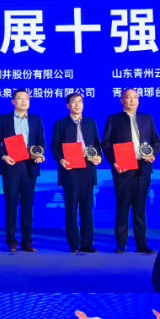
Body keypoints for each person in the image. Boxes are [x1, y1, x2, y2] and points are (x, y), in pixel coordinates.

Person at [101, 88, 159, 254]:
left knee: (140, 208)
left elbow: (156, 141)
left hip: (143, 167)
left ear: (138, 100)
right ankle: (121, 243)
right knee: (123, 207)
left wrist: (153, 154)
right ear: (122, 100)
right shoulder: (113, 119)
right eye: (128, 97)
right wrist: (114, 161)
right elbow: (105, 143)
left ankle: (142, 244)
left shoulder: (146, 118)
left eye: (135, 97)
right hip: (123, 168)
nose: (132, 101)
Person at [0, 89, 46, 252]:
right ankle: (11, 241)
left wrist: (40, 155)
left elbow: (41, 142)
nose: (24, 101)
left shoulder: (36, 119)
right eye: (20, 98)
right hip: (11, 166)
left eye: (26, 99)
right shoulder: (4, 119)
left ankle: (27, 241)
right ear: (13, 101)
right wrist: (3, 156)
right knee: (11, 205)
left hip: (30, 167)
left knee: (27, 206)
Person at [51, 92, 102, 253]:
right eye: (73, 102)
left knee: (87, 209)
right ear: (68, 105)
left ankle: (87, 244)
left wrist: (99, 157)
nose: (77, 104)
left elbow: (96, 144)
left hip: (88, 168)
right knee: (71, 209)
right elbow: (54, 146)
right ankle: (74, 244)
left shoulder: (90, 122)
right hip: (70, 169)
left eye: (80, 101)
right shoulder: (61, 123)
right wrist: (61, 160)